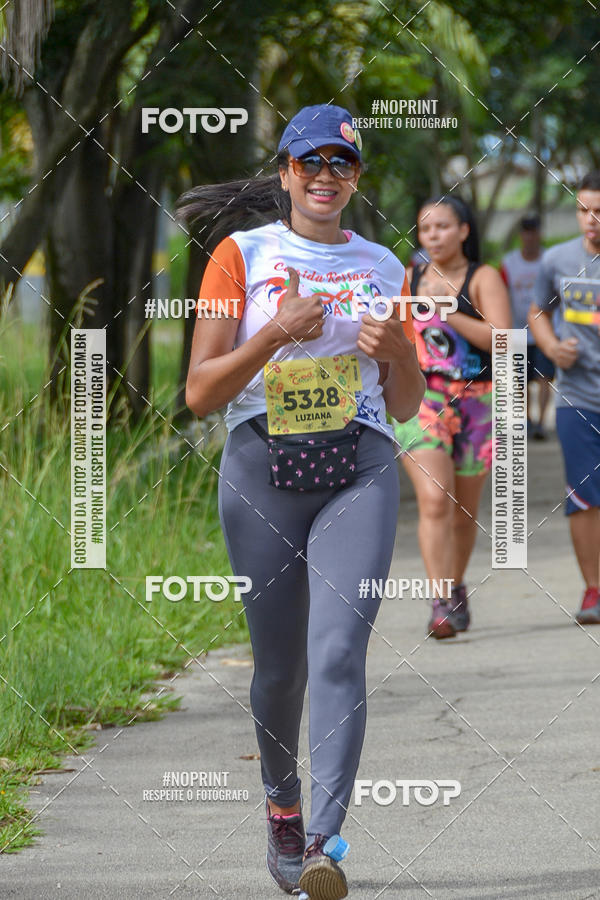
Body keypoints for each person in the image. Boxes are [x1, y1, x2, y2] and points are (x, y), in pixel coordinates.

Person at [182, 104, 424, 900]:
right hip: (262, 467)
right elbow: (199, 392)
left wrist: (398, 354)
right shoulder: (240, 255)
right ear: (285, 173)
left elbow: (406, 403)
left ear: (356, 178)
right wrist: (273, 335)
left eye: (341, 163)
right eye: (309, 162)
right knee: (281, 669)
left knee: (339, 652)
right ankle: (283, 810)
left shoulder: (384, 266)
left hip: (360, 464)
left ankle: (323, 842)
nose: (325, 175)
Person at [393, 196, 512, 638]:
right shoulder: (409, 278)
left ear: (463, 230)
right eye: (425, 229)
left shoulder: (483, 278)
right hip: (423, 399)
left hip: (479, 401)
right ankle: (440, 601)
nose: (433, 236)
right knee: (435, 498)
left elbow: (504, 341)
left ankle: (456, 585)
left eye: (442, 227)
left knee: (463, 512)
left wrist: (449, 311)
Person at [528, 171, 600, 626]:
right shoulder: (557, 259)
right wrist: (552, 348)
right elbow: (537, 310)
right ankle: (594, 590)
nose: (591, 220)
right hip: (578, 399)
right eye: (583, 210)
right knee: (583, 496)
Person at [500, 214, 554, 439]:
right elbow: (501, 295)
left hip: (546, 330)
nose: (530, 237)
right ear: (521, 235)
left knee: (544, 377)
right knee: (520, 380)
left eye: (533, 232)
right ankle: (528, 419)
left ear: (539, 234)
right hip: (518, 330)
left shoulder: (549, 261)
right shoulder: (509, 263)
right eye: (526, 232)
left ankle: (540, 422)